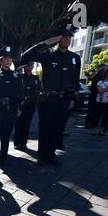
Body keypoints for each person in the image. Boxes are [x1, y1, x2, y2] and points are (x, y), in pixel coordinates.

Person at [21, 25, 81, 166]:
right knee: (45, 128)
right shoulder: (48, 55)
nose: (67, 39)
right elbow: (26, 56)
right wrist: (46, 42)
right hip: (48, 99)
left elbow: (75, 80)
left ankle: (51, 155)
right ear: (58, 39)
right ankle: (42, 156)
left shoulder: (74, 58)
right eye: (64, 37)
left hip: (64, 100)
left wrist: (72, 98)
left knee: (58, 129)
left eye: (69, 37)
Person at [14, 62, 41, 150]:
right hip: (22, 103)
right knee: (19, 123)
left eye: (31, 66)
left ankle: (23, 143)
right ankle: (17, 143)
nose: (30, 67)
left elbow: (39, 89)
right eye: (28, 65)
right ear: (24, 67)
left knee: (27, 124)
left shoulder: (35, 78)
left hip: (31, 104)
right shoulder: (20, 77)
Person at [86, 64, 107, 129]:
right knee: (91, 110)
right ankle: (88, 124)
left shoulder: (104, 76)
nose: (103, 70)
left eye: (105, 69)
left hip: (101, 94)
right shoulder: (96, 75)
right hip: (94, 94)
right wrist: (97, 70)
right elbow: (90, 78)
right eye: (102, 68)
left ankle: (94, 124)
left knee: (97, 110)